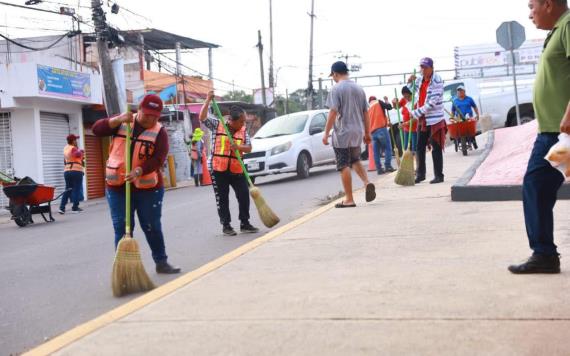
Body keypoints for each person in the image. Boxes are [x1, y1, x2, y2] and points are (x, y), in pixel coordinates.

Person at [508, 0, 570, 274]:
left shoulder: (568, 25)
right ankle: (544, 253)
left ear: (548, 4)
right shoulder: (557, 30)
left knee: (536, 185)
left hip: (562, 133)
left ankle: (544, 254)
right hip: (553, 133)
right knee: (538, 187)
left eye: (532, 6)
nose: (529, 13)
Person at [93, 94, 181, 274]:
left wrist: (139, 170)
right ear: (139, 110)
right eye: (147, 114)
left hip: (148, 188)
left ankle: (161, 262)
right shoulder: (123, 121)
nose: (151, 119)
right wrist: (116, 120)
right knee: (122, 227)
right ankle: (124, 270)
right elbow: (97, 130)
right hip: (118, 187)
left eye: (155, 116)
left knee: (151, 226)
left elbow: (159, 158)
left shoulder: (160, 132)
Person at [199, 91, 259, 236]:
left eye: (244, 121)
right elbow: (202, 117)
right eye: (241, 121)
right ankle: (226, 225)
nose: (243, 124)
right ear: (232, 120)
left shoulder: (243, 131)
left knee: (244, 194)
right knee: (222, 197)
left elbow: (249, 148)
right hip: (218, 168)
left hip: (237, 169)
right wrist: (207, 100)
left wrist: (239, 147)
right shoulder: (218, 125)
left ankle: (245, 223)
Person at [323, 61, 376, 208]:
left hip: (342, 131)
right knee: (354, 159)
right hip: (357, 131)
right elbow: (366, 112)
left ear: (335, 73)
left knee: (343, 164)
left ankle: (349, 199)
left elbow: (333, 112)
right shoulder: (359, 89)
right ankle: (367, 182)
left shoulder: (336, 89)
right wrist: (367, 132)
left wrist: (326, 133)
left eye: (332, 76)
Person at [408, 57, 446, 184]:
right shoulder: (420, 80)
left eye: (425, 67)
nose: (422, 70)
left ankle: (439, 175)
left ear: (431, 68)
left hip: (434, 119)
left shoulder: (437, 80)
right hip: (423, 119)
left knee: (436, 147)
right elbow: (414, 92)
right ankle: (420, 174)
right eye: (421, 67)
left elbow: (431, 103)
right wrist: (410, 82)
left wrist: (416, 113)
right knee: (419, 147)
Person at [58, 134, 85, 214]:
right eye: (75, 140)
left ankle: (62, 208)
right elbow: (77, 154)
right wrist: (81, 151)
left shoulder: (65, 148)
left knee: (68, 189)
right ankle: (75, 207)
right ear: (73, 141)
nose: (76, 141)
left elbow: (64, 161)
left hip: (67, 171)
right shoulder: (73, 148)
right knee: (76, 189)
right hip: (76, 171)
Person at [368, 96, 394, 174]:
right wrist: (386, 100)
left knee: (376, 152)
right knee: (387, 148)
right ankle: (388, 166)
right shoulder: (378, 102)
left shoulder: (368, 108)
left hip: (372, 132)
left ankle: (379, 169)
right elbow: (389, 107)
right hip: (381, 129)